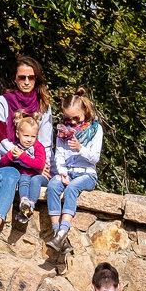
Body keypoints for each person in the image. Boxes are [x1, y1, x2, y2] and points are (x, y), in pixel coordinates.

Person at [0, 56, 53, 268]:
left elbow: (44, 142)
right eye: (21, 77)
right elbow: (0, 139)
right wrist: (25, 158)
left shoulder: (43, 107)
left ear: (37, 80)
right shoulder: (1, 102)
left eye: (31, 78)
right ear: (14, 79)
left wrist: (44, 165)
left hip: (12, 165)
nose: (26, 82)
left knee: (11, 181)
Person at [46, 88, 103, 253]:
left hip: (86, 174)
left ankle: (63, 230)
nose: (72, 123)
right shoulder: (63, 131)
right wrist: (62, 171)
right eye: (68, 119)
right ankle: (57, 232)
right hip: (68, 171)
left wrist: (80, 148)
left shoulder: (95, 130)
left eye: (76, 118)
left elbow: (95, 158)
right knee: (53, 186)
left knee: (72, 188)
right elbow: (59, 155)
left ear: (85, 111)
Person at [0, 112, 47, 226]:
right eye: (26, 136)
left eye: (33, 136)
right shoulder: (16, 148)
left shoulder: (38, 147)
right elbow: (2, 164)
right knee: (23, 177)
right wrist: (10, 155)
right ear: (18, 134)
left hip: (40, 178)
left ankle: (31, 204)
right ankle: (24, 201)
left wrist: (22, 157)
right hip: (25, 177)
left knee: (35, 180)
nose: (29, 139)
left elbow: (39, 165)